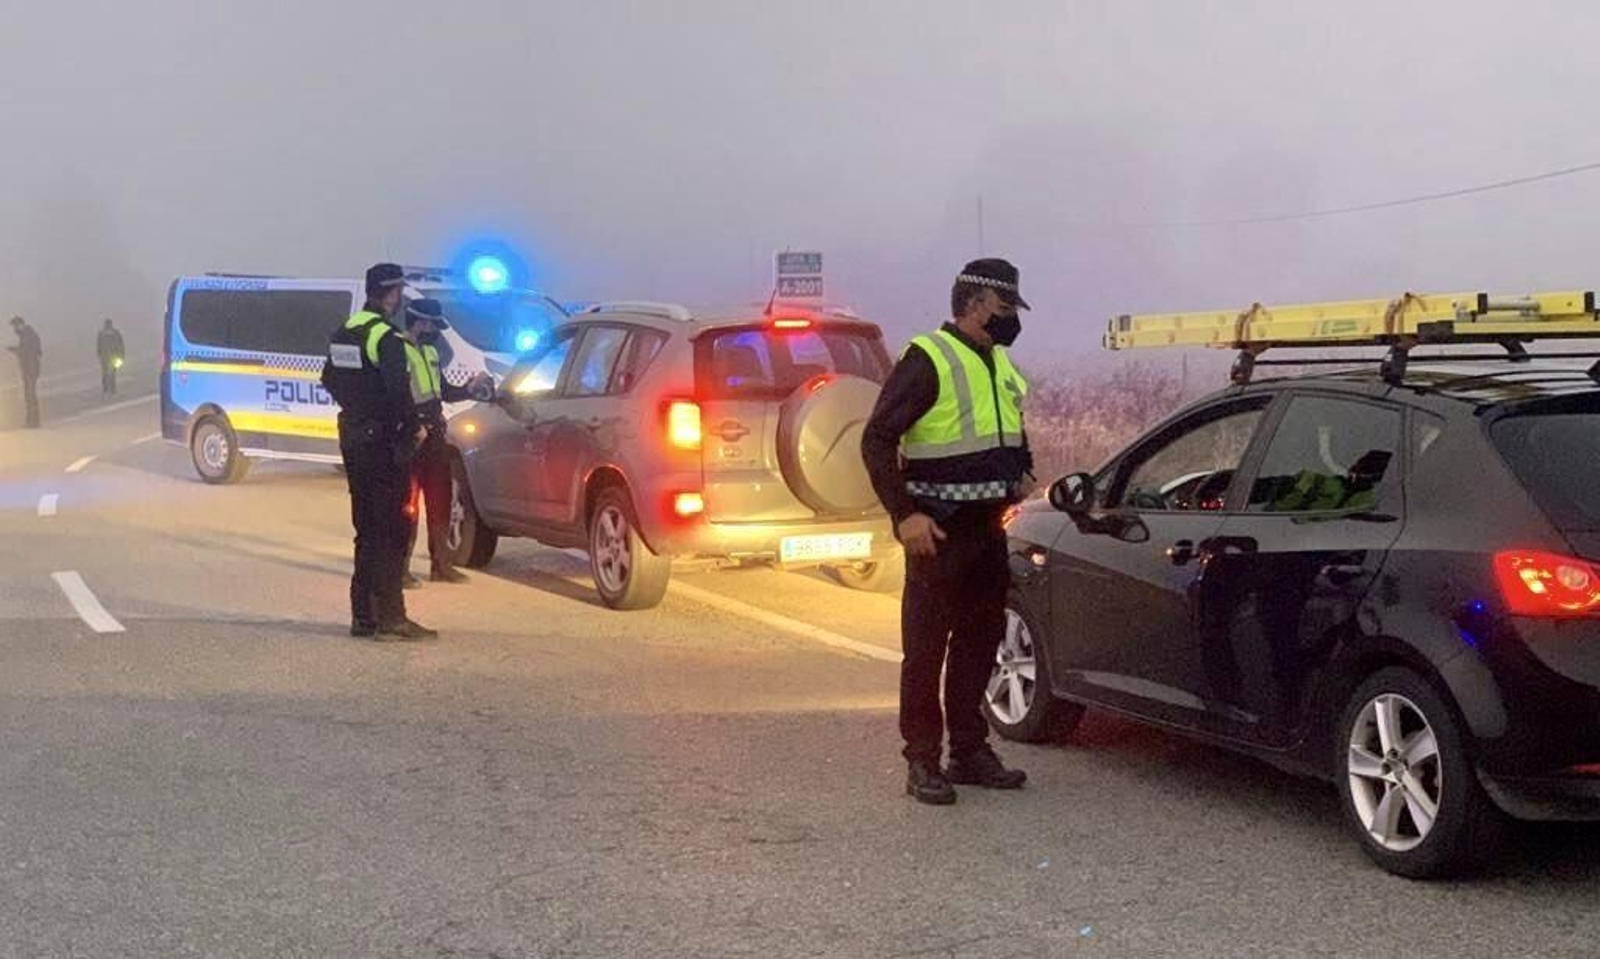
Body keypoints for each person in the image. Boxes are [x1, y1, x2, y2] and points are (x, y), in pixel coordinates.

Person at [861, 258, 1037, 805]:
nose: (1012, 319)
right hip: (937, 531)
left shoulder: (997, 361)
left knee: (979, 644)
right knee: (927, 649)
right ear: (977, 302)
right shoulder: (928, 359)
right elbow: (877, 439)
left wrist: (1021, 468)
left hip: (986, 528)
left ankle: (968, 749)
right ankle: (921, 759)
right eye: (1006, 307)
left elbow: (1006, 426)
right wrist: (904, 515)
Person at [319, 263, 437, 642]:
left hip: (353, 437)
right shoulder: (386, 338)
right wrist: (412, 428)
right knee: (391, 530)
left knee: (365, 529)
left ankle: (362, 616)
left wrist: (357, 408)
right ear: (392, 294)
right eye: (399, 291)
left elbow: (328, 378)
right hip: (384, 444)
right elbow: (397, 392)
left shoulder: (346, 330)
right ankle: (391, 618)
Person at [399, 298, 492, 587]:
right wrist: (412, 426)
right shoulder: (398, 350)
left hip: (436, 433)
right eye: (431, 325)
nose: (435, 331)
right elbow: (397, 395)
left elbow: (443, 392)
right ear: (419, 322)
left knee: (440, 501)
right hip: (412, 435)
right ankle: (400, 570)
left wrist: (469, 389)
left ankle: (441, 565)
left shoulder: (429, 352)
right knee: (407, 505)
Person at [8, 315, 43, 428]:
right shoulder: (27, 335)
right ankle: (31, 421)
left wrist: (15, 350)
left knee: (30, 396)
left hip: (30, 371)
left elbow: (29, 352)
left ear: (20, 325)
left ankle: (33, 422)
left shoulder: (28, 335)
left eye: (15, 326)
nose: (14, 329)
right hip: (29, 370)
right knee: (29, 396)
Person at [97, 318, 125, 398]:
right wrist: (121, 355)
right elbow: (121, 345)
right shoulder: (115, 333)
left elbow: (99, 346)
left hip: (108, 357)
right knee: (110, 374)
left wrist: (99, 354)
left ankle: (108, 390)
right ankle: (110, 390)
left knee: (108, 374)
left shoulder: (102, 334)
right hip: (111, 357)